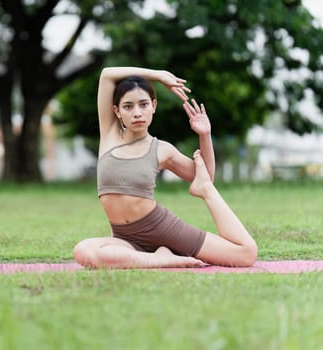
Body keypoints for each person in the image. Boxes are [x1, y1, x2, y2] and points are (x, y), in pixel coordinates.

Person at [73, 67, 258, 268]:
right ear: (116, 111)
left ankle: (159, 255)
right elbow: (107, 74)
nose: (137, 113)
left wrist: (204, 135)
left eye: (143, 105)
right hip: (125, 238)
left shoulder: (162, 150)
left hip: (161, 229)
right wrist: (158, 76)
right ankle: (158, 259)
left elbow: (206, 177)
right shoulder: (109, 136)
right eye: (128, 106)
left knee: (245, 254)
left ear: (153, 106)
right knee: (83, 251)